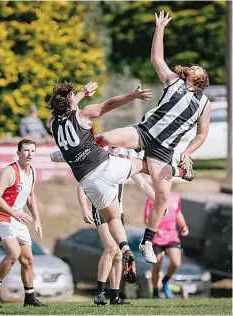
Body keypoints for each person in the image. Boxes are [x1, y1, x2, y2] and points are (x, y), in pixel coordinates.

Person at [95, 11, 211, 265]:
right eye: (191, 68)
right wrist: (159, 28)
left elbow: (202, 134)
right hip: (145, 132)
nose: (191, 69)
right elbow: (156, 58)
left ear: (200, 79)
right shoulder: (174, 82)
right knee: (103, 138)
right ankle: (74, 153)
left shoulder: (204, 104)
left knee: (162, 198)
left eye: (196, 69)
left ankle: (147, 241)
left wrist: (187, 153)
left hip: (164, 149)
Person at [48, 79, 153, 284]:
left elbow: (62, 110)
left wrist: (79, 94)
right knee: (146, 165)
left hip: (88, 181)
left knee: (113, 219)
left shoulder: (53, 125)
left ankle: (125, 250)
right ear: (71, 101)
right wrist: (133, 96)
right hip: (105, 166)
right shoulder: (83, 113)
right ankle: (181, 170)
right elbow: (110, 104)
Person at [77, 146, 155, 306]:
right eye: (111, 145)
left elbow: (141, 184)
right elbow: (81, 185)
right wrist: (84, 207)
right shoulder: (99, 162)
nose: (113, 147)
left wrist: (159, 201)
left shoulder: (122, 164)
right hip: (102, 210)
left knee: (119, 254)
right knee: (111, 249)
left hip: (118, 215)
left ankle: (115, 296)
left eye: (116, 145)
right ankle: (100, 294)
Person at [0, 139, 47, 308]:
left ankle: (30, 297)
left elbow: (30, 197)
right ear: (18, 152)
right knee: (14, 253)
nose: (29, 154)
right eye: (25, 150)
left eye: (32, 151)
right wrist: (15, 213)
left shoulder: (32, 171)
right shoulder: (9, 171)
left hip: (17, 217)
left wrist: (38, 220)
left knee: (28, 259)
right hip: (1, 216)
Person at [144, 191, 189, 299]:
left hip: (172, 236)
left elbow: (178, 212)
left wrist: (183, 226)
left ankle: (165, 282)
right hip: (157, 238)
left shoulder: (176, 197)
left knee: (176, 263)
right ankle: (155, 292)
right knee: (157, 266)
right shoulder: (152, 198)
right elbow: (146, 219)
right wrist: (156, 230)